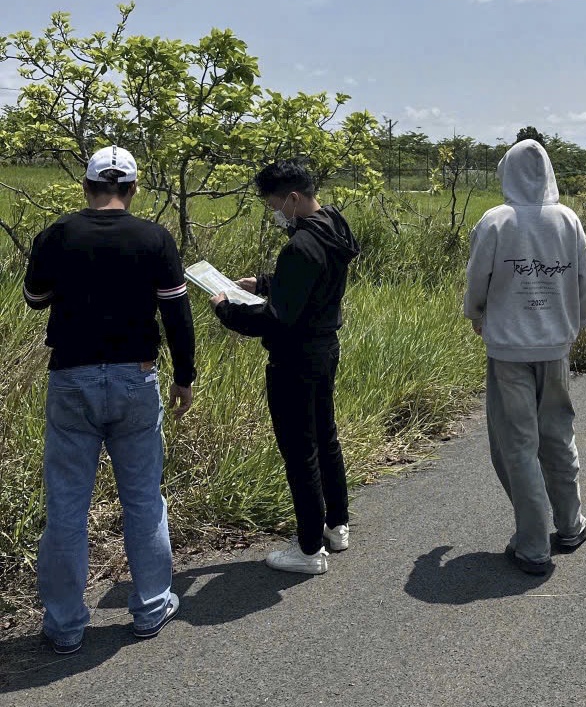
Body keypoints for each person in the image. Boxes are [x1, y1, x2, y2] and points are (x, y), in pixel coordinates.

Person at [23, 145, 195, 654]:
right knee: (143, 500)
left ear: (87, 187)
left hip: (71, 379)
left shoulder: (57, 235)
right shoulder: (154, 237)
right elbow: (177, 315)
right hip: (136, 378)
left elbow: (35, 298)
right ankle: (149, 607)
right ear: (133, 189)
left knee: (67, 505)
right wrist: (184, 377)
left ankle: (65, 626)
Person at [211, 160, 359, 575]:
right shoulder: (333, 226)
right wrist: (263, 283)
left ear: (293, 199)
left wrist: (227, 310)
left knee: (300, 451)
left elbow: (276, 319)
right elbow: (307, 285)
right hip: (325, 347)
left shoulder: (300, 245)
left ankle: (309, 550)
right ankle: (336, 525)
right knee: (325, 438)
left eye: (275, 204)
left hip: (294, 358)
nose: (274, 213)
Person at [464, 139, 586, 576]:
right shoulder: (568, 220)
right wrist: (574, 327)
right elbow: (583, 280)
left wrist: (475, 314)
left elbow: (477, 278)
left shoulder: (496, 222)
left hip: (508, 350)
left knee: (517, 443)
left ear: (508, 174)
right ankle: (571, 524)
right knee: (557, 433)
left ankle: (533, 545)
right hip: (556, 345)